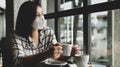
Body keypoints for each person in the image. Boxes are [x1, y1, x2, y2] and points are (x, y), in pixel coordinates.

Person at [9, 1, 80, 67]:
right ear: (26, 18)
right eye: (38, 15)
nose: (42, 18)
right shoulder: (15, 35)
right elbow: (17, 62)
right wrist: (46, 54)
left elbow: (56, 57)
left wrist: (69, 54)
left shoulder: (48, 32)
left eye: (42, 14)